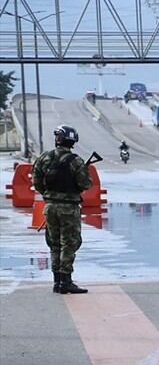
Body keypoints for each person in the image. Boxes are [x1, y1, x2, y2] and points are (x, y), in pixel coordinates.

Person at [32, 125, 92, 294]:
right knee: (69, 243)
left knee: (54, 243)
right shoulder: (76, 161)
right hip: (69, 209)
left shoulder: (45, 158)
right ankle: (66, 281)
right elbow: (85, 184)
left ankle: (57, 281)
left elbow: (36, 182)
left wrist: (49, 195)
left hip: (50, 207)